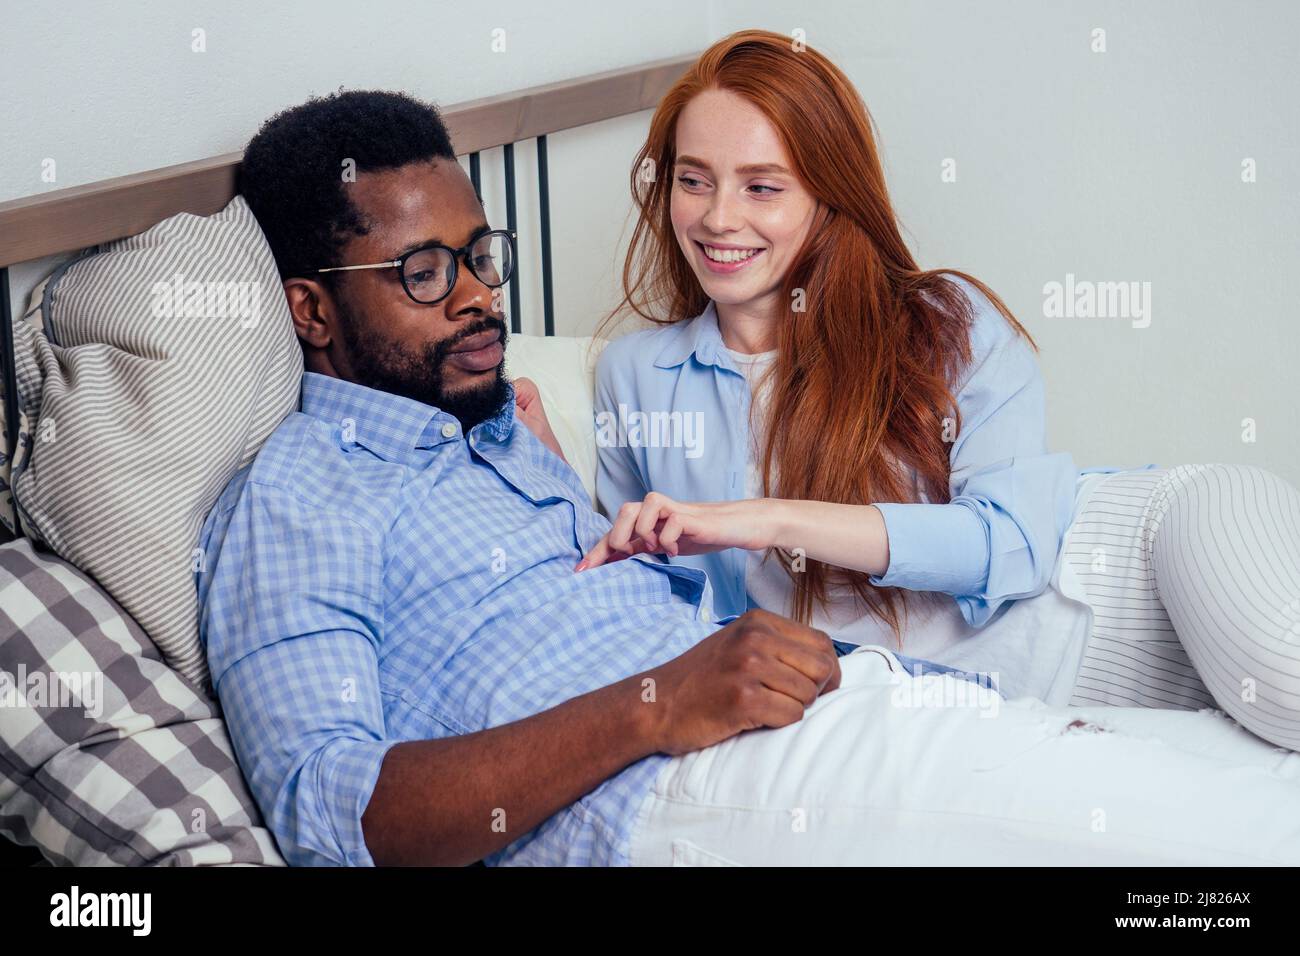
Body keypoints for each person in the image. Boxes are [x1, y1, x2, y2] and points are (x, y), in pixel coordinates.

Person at [198, 87, 1300, 869]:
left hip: (983, 647)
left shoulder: (500, 438)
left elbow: (999, 543)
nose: (479, 300)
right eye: (423, 274)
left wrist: (563, 468)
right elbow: (331, 813)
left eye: (482, 258)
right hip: (719, 769)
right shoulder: (298, 500)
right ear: (309, 310)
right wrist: (655, 701)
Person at [588, 29, 1300, 751]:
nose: (717, 217)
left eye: (762, 186)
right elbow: (642, 605)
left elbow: (1010, 545)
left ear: (829, 197)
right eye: (693, 179)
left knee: (1290, 691)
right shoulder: (634, 376)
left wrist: (768, 518)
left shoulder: (939, 321)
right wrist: (551, 484)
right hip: (1049, 713)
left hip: (1142, 568)